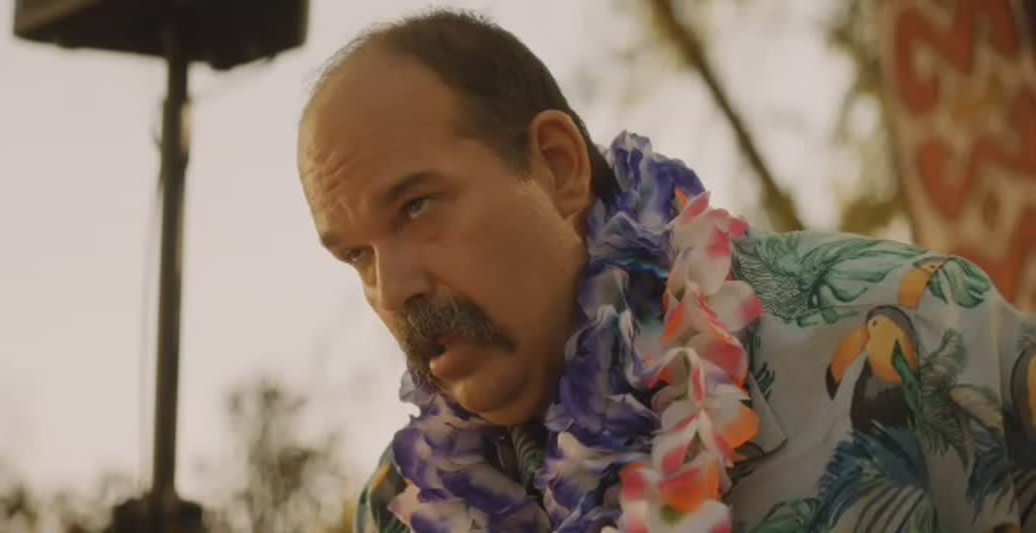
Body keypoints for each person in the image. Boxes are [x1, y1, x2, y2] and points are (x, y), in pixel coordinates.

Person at [295, 8, 1036, 533]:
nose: (394, 288)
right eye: (356, 254)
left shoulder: (913, 330)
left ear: (557, 166)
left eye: (417, 207)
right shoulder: (398, 513)